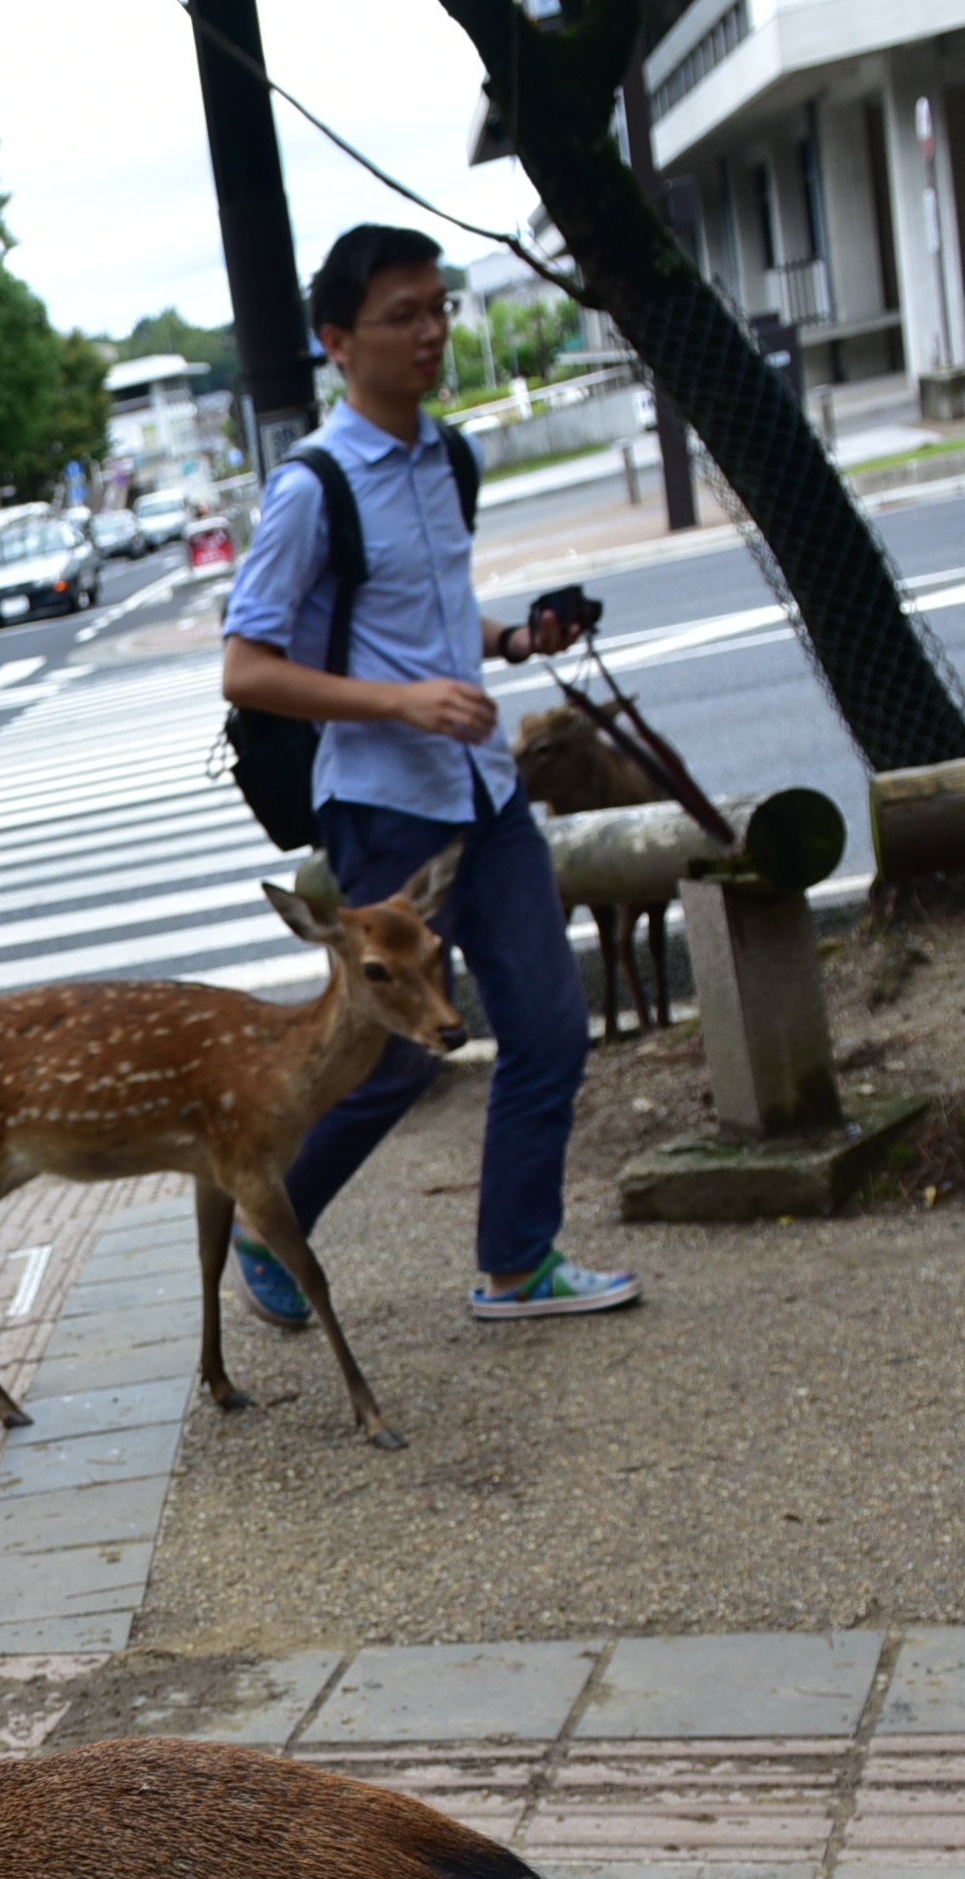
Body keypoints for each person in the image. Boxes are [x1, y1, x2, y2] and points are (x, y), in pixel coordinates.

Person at [218, 224, 641, 1326]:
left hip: (484, 796)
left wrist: (511, 641)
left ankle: (516, 1265)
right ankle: (272, 1225)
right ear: (337, 342)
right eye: (403, 315)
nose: (433, 331)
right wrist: (402, 702)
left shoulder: (450, 454)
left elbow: (430, 617)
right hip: (384, 810)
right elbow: (248, 665)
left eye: (439, 307)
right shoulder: (312, 488)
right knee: (393, 1062)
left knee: (548, 1025)